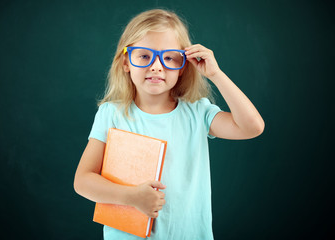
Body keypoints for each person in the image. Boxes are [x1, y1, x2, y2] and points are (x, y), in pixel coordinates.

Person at [73, 8, 264, 240]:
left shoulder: (198, 112)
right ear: (126, 62)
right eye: (144, 56)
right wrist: (132, 196)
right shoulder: (111, 114)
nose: (156, 66)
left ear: (183, 66)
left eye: (169, 57)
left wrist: (215, 74)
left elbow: (252, 127)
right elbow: (83, 181)